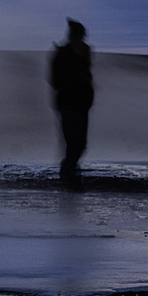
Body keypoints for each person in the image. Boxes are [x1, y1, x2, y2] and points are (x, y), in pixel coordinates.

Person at [49, 18, 94, 185]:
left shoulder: (83, 52)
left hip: (80, 103)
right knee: (73, 142)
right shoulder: (62, 54)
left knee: (80, 143)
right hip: (68, 103)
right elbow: (55, 80)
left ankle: (69, 170)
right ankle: (68, 172)